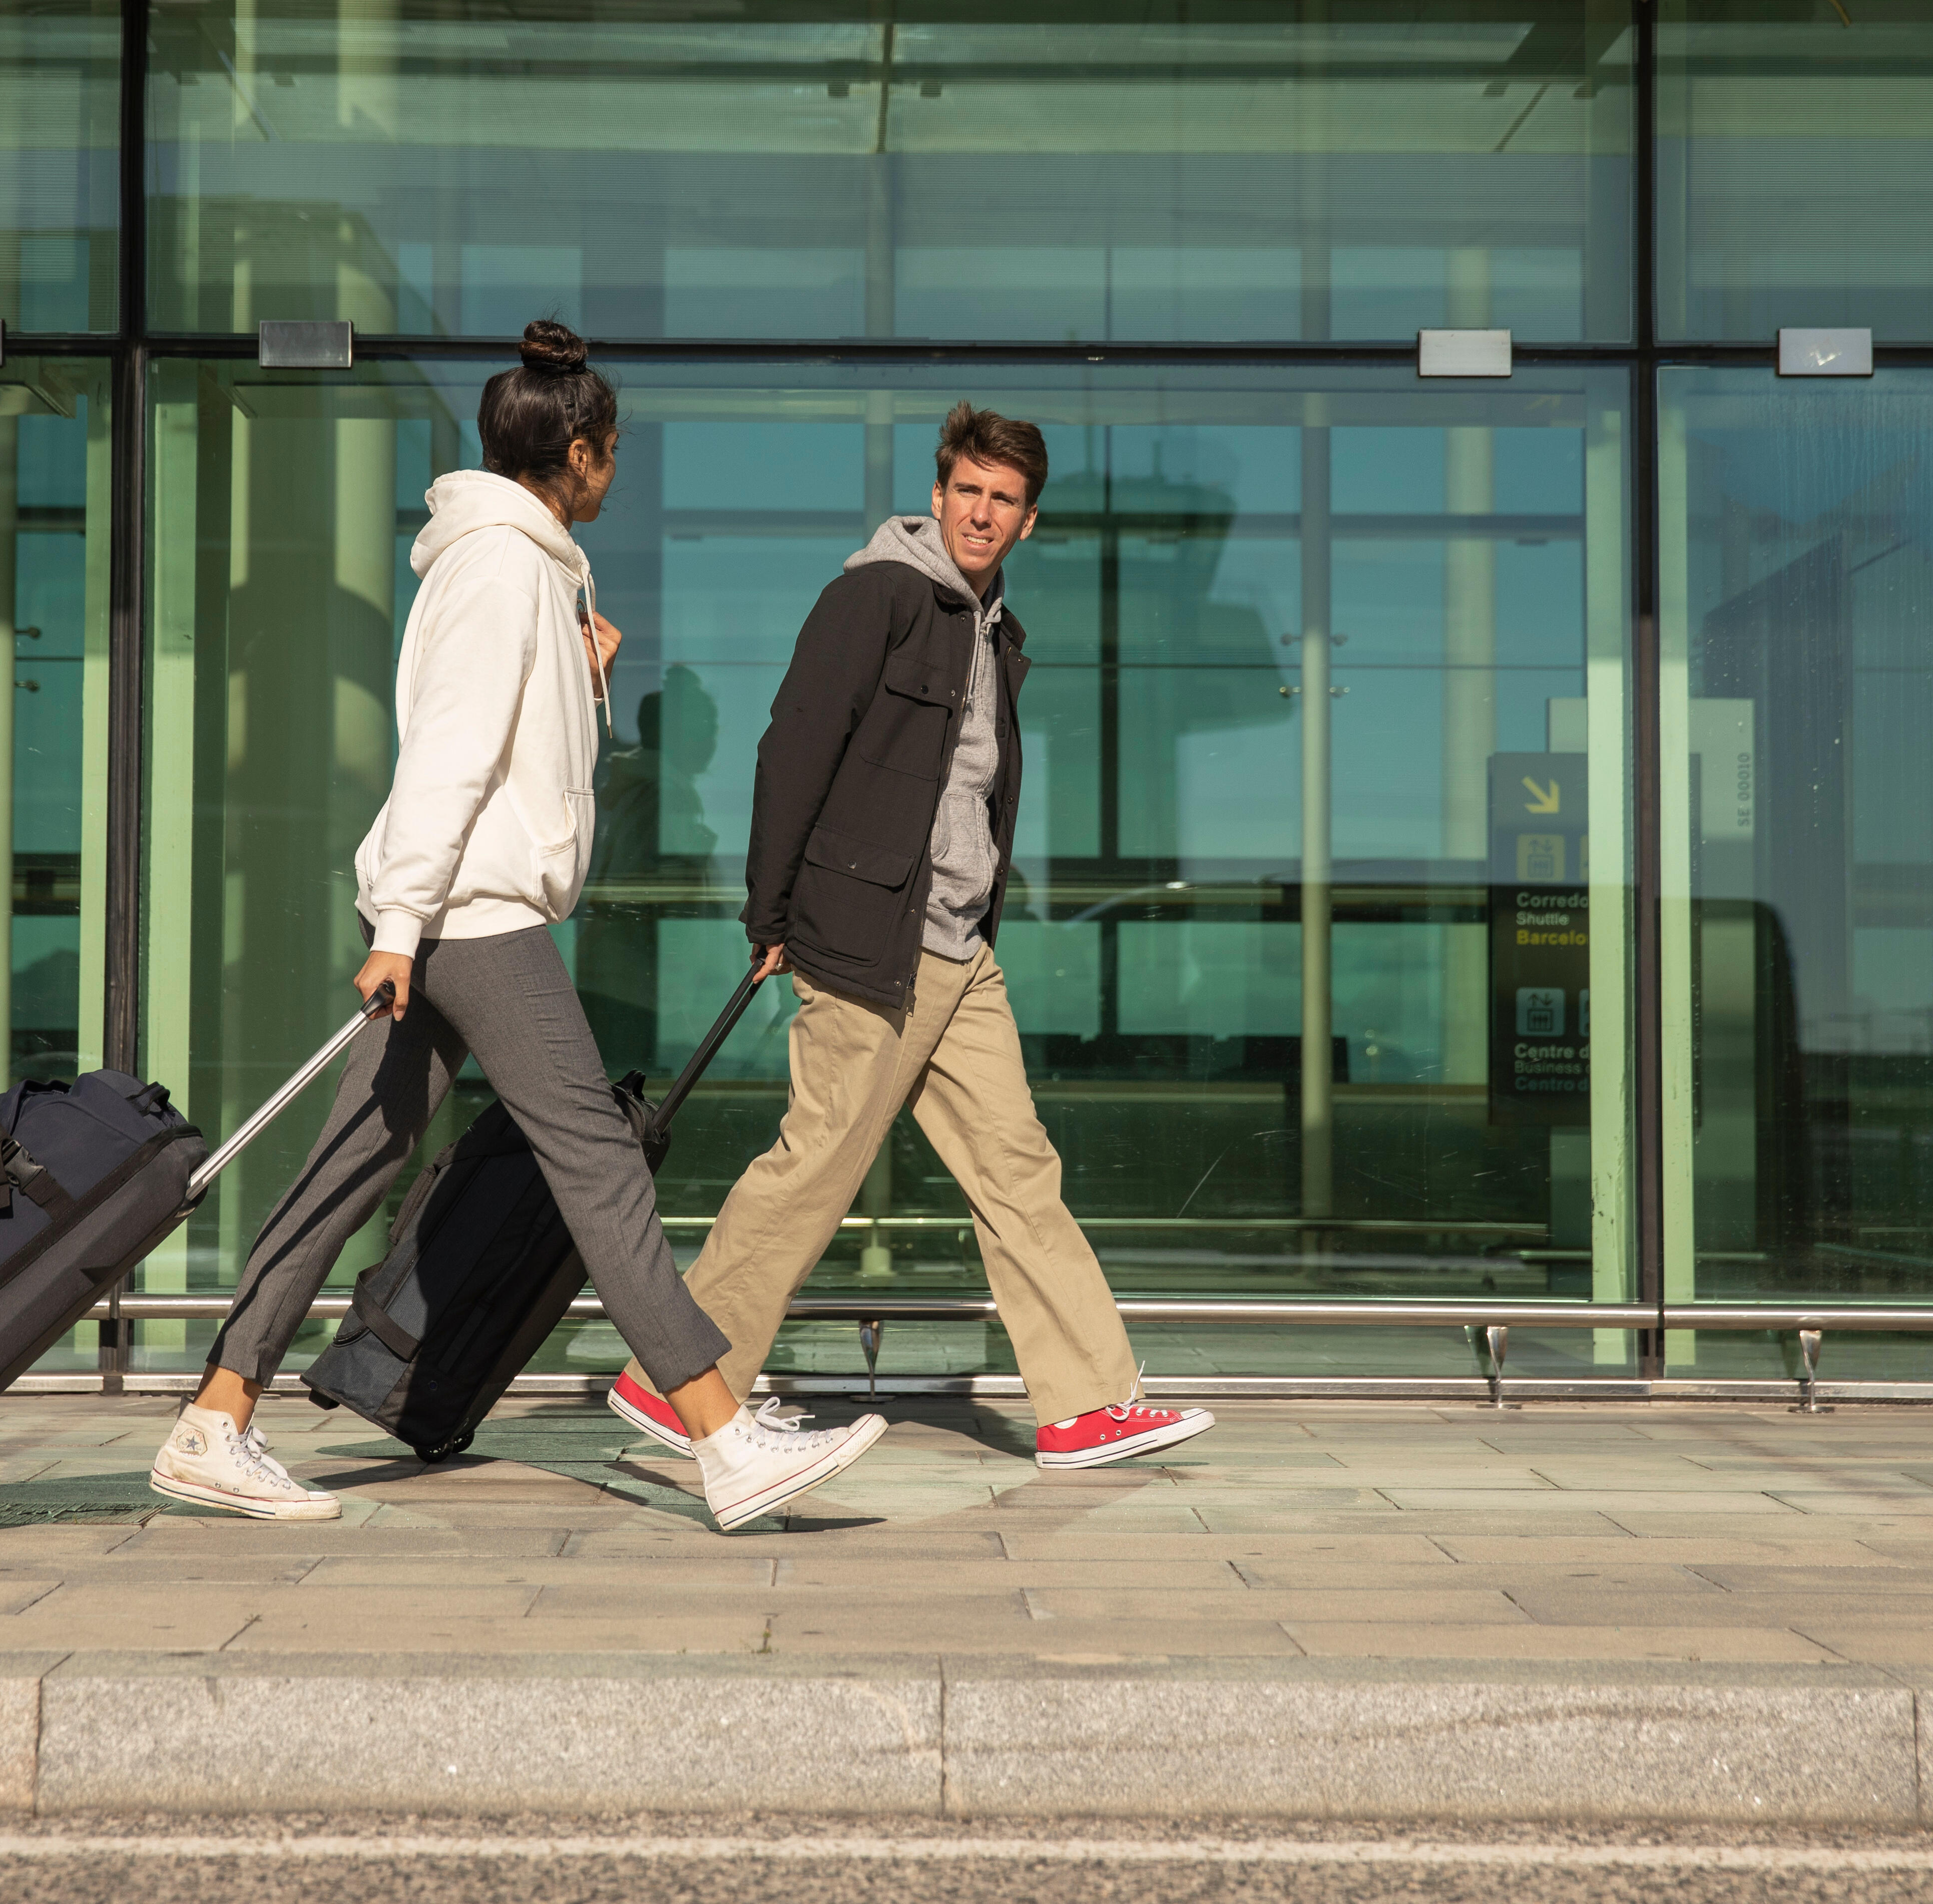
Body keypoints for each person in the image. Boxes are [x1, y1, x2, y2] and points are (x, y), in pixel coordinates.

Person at [149, 320, 888, 1534]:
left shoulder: (521, 568)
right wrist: (400, 924)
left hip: (448, 911)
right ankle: (719, 1430)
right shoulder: (501, 570)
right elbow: (448, 755)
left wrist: (586, 675)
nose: (618, 476)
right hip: (469, 917)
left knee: (354, 1163)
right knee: (596, 1157)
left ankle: (213, 1419)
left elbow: (515, 755)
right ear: (582, 455)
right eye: (615, 457)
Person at [611, 404, 1212, 1470]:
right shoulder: (877, 597)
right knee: (816, 1165)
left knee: (1018, 1165)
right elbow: (792, 748)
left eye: (1005, 499)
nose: (983, 512)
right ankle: (677, 1383)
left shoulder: (990, 628)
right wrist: (772, 914)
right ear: (938, 496)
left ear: (1030, 521)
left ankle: (1083, 1402)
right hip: (869, 937)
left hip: (957, 947)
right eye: (968, 490)